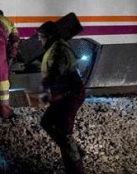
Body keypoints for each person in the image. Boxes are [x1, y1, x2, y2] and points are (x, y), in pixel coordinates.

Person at [37, 20, 86, 174]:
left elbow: (54, 74)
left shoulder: (57, 50)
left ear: (49, 36)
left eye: (41, 36)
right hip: (65, 95)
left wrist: (44, 93)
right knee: (48, 122)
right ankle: (75, 151)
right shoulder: (58, 46)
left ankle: (76, 167)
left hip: (70, 95)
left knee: (63, 131)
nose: (40, 39)